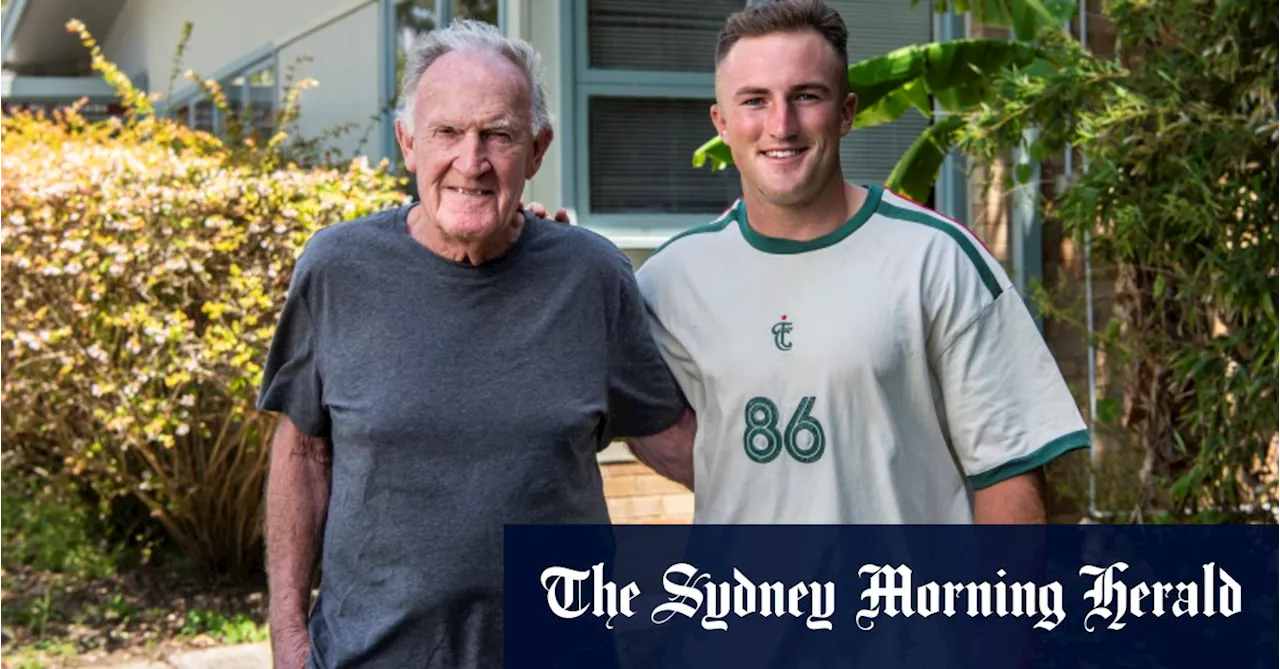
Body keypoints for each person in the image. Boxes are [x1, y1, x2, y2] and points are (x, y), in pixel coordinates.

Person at [256, 20, 693, 669]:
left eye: (498, 134)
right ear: (408, 142)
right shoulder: (336, 269)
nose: (472, 161)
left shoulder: (591, 276)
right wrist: (288, 640)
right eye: (447, 132)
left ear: (537, 150)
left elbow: (671, 438)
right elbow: (303, 455)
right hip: (370, 656)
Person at [627, 0, 1090, 525]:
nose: (781, 124)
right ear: (722, 122)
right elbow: (606, 383)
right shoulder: (670, 280)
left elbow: (1010, 471)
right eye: (755, 100)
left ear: (846, 113)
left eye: (806, 96)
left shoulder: (935, 259)